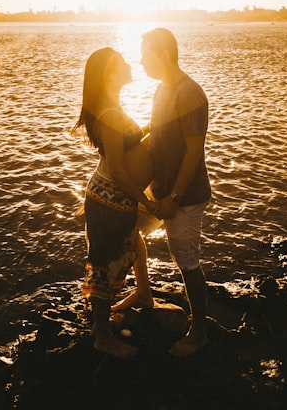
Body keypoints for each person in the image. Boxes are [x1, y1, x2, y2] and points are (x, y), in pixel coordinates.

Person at [116, 27, 211, 357]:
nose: (141, 61)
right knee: (127, 227)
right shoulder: (161, 91)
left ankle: (199, 332)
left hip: (184, 196)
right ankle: (144, 292)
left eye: (145, 54)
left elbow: (193, 152)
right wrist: (119, 144)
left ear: (164, 54)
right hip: (160, 190)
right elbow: (155, 135)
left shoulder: (190, 94)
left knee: (186, 261)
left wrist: (176, 198)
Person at [74, 47, 157, 359]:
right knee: (105, 261)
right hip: (111, 198)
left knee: (131, 242)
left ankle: (144, 293)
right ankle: (103, 335)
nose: (128, 64)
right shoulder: (108, 114)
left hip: (115, 198)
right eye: (121, 62)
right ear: (109, 73)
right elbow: (121, 173)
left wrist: (156, 125)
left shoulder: (112, 107)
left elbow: (128, 142)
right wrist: (145, 202)